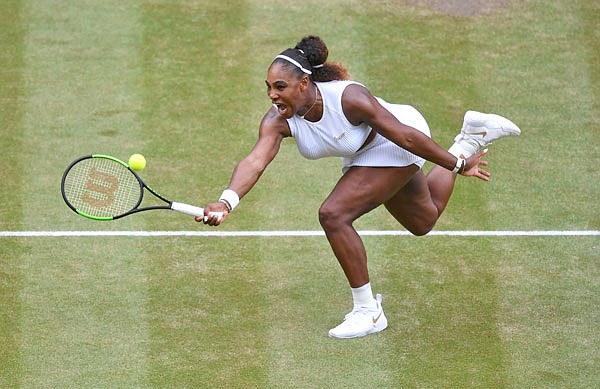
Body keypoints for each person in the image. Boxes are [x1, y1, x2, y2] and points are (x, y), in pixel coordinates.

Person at [196, 35, 521, 339]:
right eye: (268, 87)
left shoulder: (349, 97)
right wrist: (226, 202)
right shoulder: (277, 121)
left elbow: (404, 136)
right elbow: (255, 161)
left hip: (400, 136)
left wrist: (458, 167)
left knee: (333, 214)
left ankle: (368, 312)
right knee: (424, 220)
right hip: (364, 153)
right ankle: (469, 138)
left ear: (304, 83)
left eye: (280, 87)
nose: (272, 95)